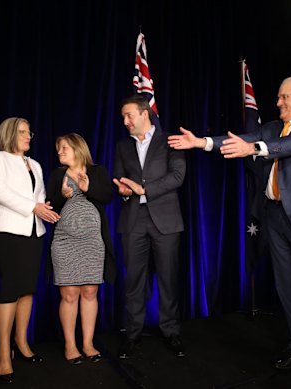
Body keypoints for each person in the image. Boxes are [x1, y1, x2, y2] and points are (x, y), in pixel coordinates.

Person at [168, 75, 291, 381]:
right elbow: (239, 141)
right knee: (286, 286)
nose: (278, 102)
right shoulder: (271, 128)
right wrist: (201, 143)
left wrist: (255, 148)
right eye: (279, 97)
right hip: (274, 216)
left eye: (284, 97)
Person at [0, 117, 60, 383]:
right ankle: (3, 352)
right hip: (8, 233)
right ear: (9, 134)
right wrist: (33, 207)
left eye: (30, 132)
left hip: (34, 232)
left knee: (28, 288)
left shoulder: (35, 164)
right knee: (10, 289)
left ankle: (22, 342)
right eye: (22, 132)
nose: (29, 136)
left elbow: (38, 196)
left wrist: (44, 208)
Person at [113, 95, 186, 359]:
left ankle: (171, 331)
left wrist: (145, 189)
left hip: (166, 219)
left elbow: (178, 176)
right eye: (123, 116)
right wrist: (123, 191)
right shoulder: (122, 146)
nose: (125, 121)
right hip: (133, 220)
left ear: (145, 114)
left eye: (129, 115)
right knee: (133, 280)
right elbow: (120, 181)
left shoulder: (170, 141)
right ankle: (132, 335)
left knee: (168, 278)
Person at [46, 133, 116, 364]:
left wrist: (87, 188)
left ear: (77, 148)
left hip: (93, 242)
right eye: (58, 149)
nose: (60, 152)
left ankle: (87, 343)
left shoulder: (97, 171)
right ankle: (70, 345)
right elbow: (49, 206)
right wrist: (62, 195)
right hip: (65, 241)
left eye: (64, 147)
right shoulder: (57, 175)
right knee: (69, 294)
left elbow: (107, 196)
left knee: (90, 292)